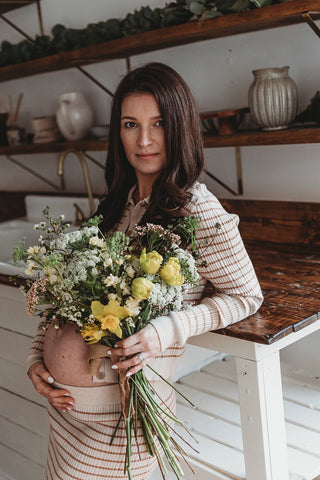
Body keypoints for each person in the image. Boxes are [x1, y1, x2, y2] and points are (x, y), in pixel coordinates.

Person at [27, 62, 263, 480]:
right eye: (131, 124)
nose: (145, 140)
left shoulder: (199, 209)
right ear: (117, 133)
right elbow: (69, 296)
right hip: (67, 415)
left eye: (159, 124)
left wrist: (166, 330)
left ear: (181, 128)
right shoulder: (116, 205)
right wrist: (38, 358)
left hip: (126, 418)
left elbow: (246, 296)